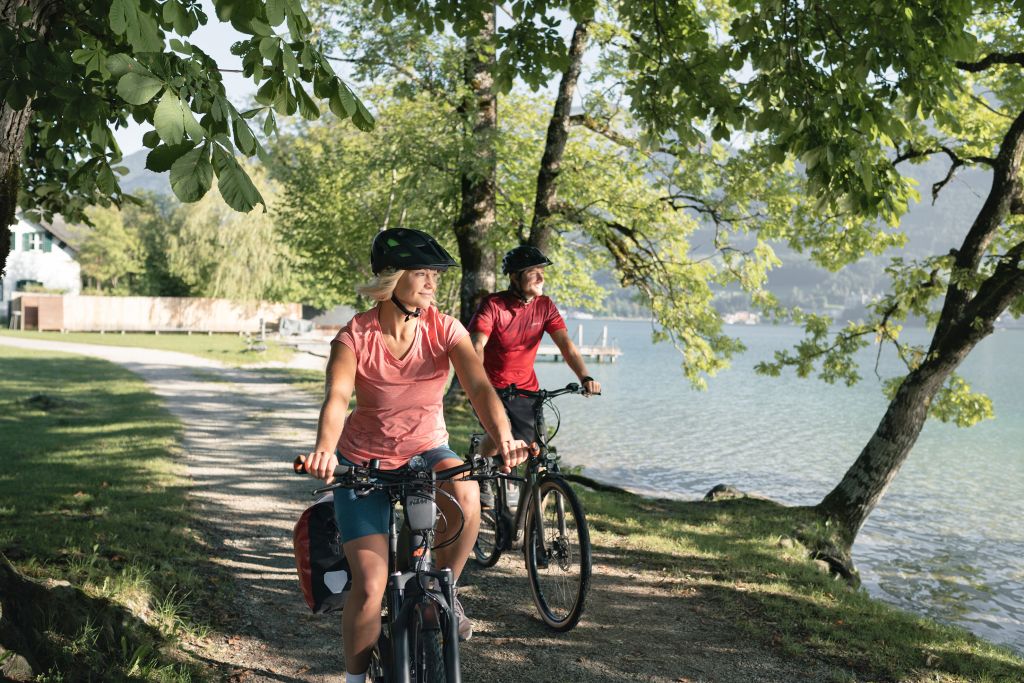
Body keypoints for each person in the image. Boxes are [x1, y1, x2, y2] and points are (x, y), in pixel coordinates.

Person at [302, 228, 531, 683]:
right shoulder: (355, 336)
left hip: (427, 451)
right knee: (369, 588)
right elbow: (336, 398)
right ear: (393, 279)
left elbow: (480, 387)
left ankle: (444, 592)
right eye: (421, 274)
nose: (432, 283)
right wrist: (325, 451)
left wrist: (504, 437)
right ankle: (353, 678)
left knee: (465, 490)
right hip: (363, 465)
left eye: (434, 275)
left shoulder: (445, 329)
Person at [468, 244, 601, 466]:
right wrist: (477, 381)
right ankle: (480, 464)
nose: (540, 277)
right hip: (491, 388)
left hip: (527, 390)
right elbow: (477, 345)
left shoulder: (545, 306)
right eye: (533, 272)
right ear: (514, 277)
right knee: (502, 433)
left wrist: (585, 377)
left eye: (542, 272)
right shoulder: (494, 305)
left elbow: (566, 345)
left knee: (536, 450)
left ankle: (538, 496)